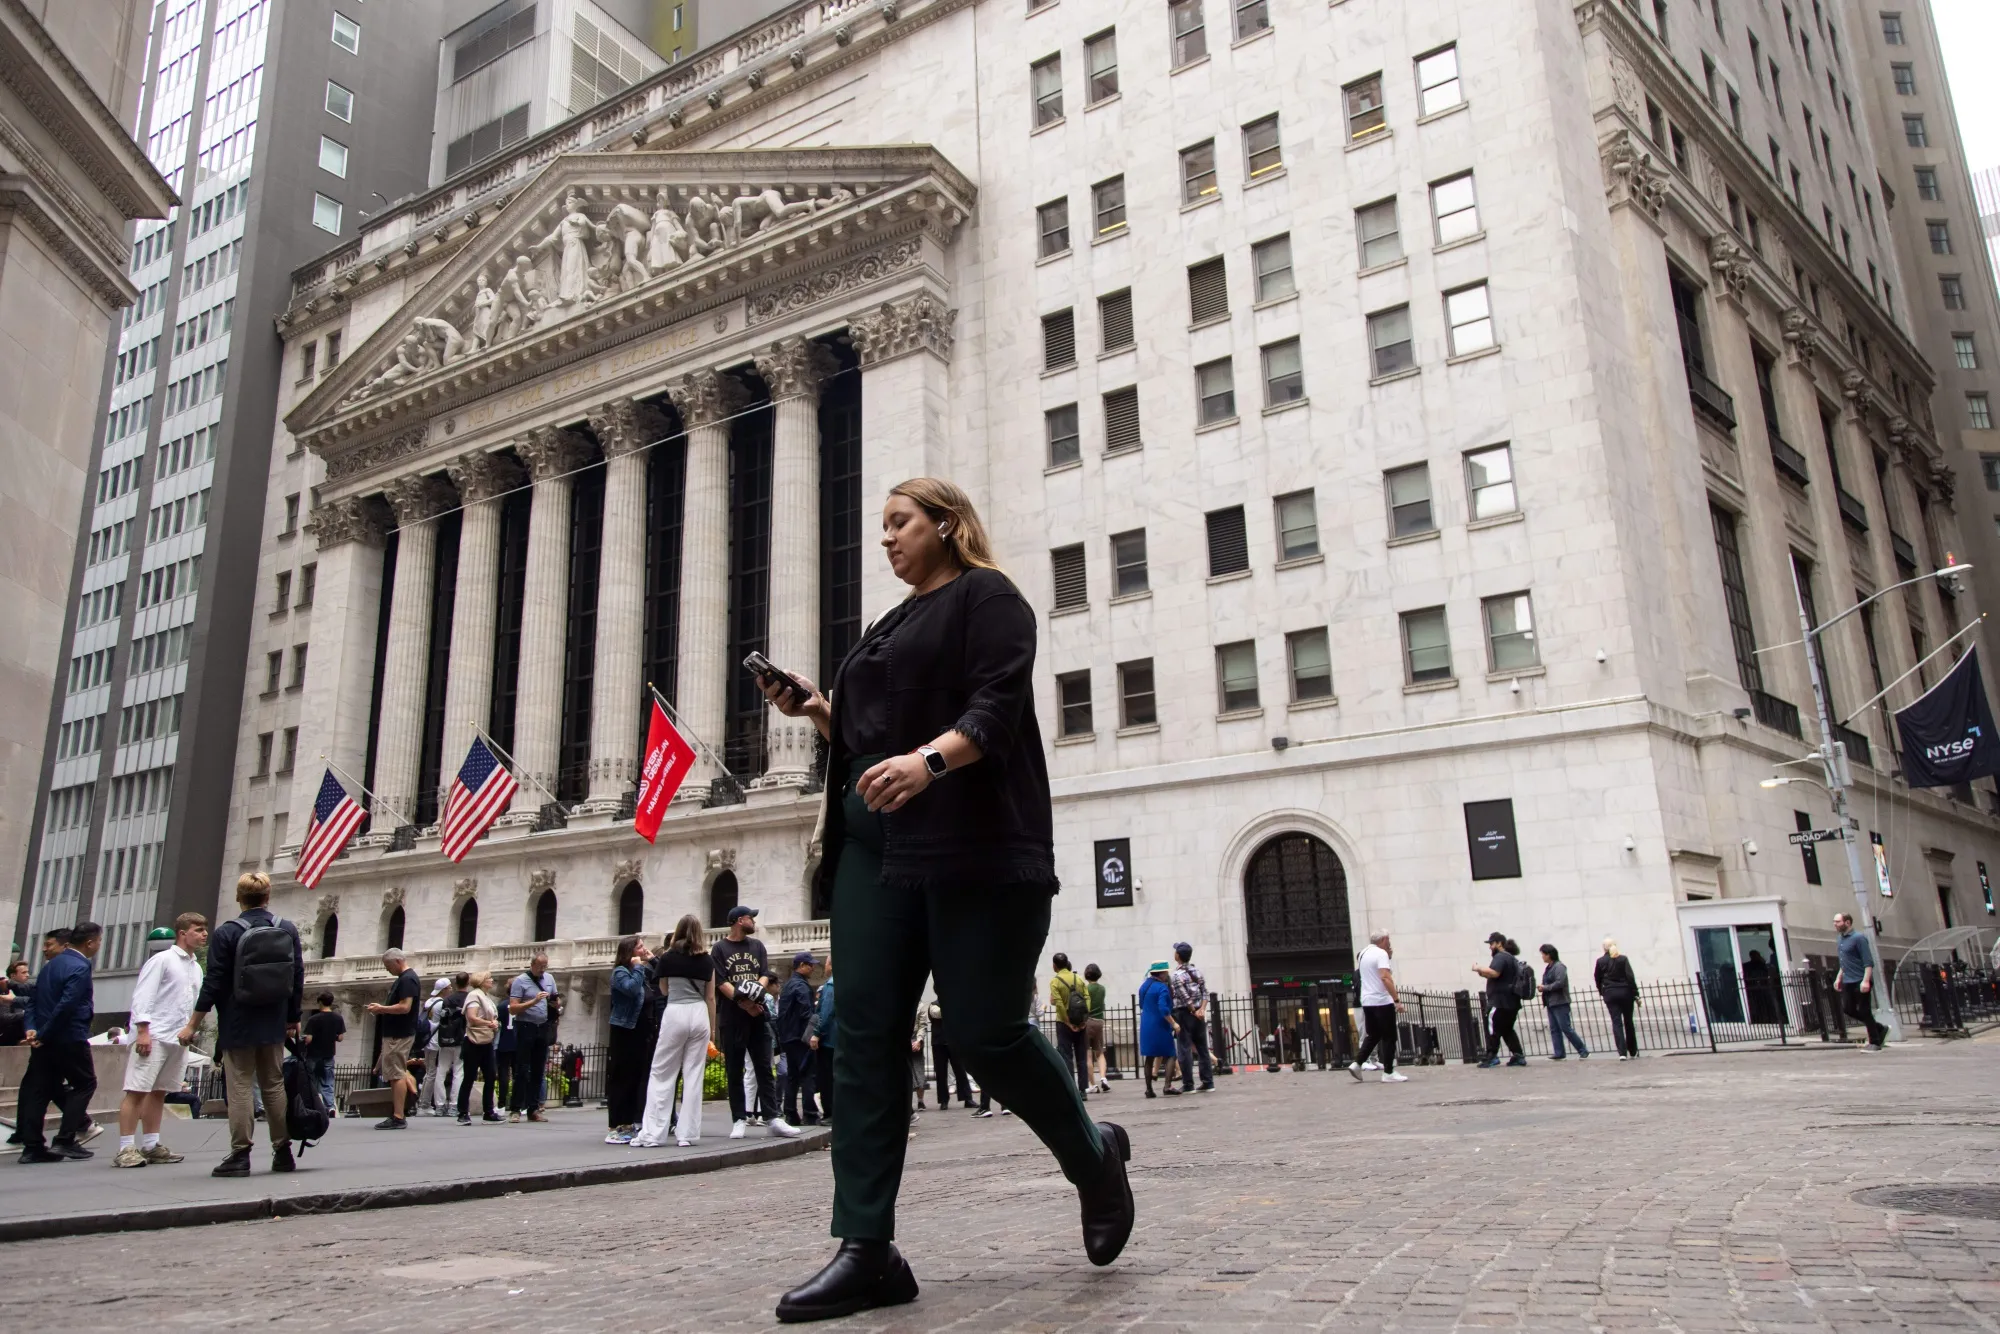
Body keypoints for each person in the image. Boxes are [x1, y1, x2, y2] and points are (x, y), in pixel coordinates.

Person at [757, 478, 1133, 1323]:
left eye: (900, 523)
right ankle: (867, 1248)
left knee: (982, 1032)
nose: (885, 539)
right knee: (863, 1036)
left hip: (971, 848)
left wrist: (926, 763)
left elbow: (996, 709)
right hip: (869, 851)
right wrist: (818, 708)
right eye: (882, 526)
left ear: (947, 525)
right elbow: (865, 745)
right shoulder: (883, 628)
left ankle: (1093, 1157)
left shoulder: (987, 597)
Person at [183, 874, 304, 1175]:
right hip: (274, 1020)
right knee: (274, 1085)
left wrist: (193, 1023)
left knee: (239, 1087)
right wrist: (293, 1017)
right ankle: (283, 1151)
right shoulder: (285, 928)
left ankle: (240, 1154)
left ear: (239, 897)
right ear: (268, 896)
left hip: (238, 1021)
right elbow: (297, 975)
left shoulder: (227, 933)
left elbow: (212, 982)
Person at [115, 913, 209, 1167]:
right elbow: (143, 996)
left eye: (204, 930)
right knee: (137, 1090)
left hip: (177, 1038)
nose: (204, 934)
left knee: (159, 1092)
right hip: (154, 1035)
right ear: (182, 933)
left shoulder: (196, 967)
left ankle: (150, 1144)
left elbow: (189, 1001)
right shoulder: (162, 960)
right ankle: (125, 1148)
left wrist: (190, 1029)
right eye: (198, 930)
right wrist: (143, 1030)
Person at [15, 921, 103, 1163]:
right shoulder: (80, 966)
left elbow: (33, 1000)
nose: (98, 946)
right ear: (89, 943)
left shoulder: (51, 965)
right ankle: (65, 1140)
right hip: (68, 1036)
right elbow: (68, 1004)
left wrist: (33, 1029)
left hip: (45, 1039)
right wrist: (43, 1033)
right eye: (98, 941)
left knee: (39, 1089)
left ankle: (32, 1147)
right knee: (85, 1083)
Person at [711, 906, 800, 1139]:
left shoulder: (757, 946)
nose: (754, 922)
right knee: (734, 1068)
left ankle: (773, 1118)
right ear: (740, 921)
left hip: (758, 1017)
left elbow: (763, 974)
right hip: (732, 1018)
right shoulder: (719, 949)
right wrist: (744, 1003)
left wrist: (754, 996)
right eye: (751, 918)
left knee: (764, 1067)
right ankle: (739, 1118)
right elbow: (721, 982)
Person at [632, 914, 717, 1149]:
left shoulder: (668, 958)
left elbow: (664, 989)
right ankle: (687, 1134)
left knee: (662, 1072)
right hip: (699, 1014)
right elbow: (710, 997)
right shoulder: (707, 960)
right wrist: (712, 1029)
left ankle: (653, 1133)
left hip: (676, 1011)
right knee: (693, 1075)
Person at [606, 936, 655, 1143]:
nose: (644, 949)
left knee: (636, 1077)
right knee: (622, 1078)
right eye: (640, 946)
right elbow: (631, 989)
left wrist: (651, 960)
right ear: (630, 951)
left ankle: (630, 1123)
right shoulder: (620, 972)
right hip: (625, 1030)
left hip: (641, 1031)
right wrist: (637, 967)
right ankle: (617, 1125)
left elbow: (661, 977)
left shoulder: (642, 971)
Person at [365, 948, 422, 1127]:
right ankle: (400, 1110)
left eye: (388, 965)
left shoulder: (407, 979)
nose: (387, 969)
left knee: (396, 1073)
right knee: (394, 1072)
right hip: (396, 1032)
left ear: (397, 961)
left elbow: (405, 1007)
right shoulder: (404, 979)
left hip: (400, 1033)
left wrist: (382, 1008)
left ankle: (398, 1116)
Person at [1349, 930, 1408, 1083]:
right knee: (1389, 1036)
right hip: (1382, 1000)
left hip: (1367, 1001)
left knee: (1373, 1035)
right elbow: (1385, 977)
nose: (1389, 943)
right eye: (1388, 940)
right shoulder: (1381, 954)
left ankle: (1357, 1063)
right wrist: (1396, 1000)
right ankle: (1388, 1072)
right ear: (1384, 940)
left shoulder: (1363, 953)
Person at [506, 952, 558, 1122]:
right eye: (540, 966)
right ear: (532, 965)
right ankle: (515, 1109)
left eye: (545, 966)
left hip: (542, 1026)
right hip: (525, 1026)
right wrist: (534, 1001)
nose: (543, 970)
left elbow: (555, 1000)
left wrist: (555, 1003)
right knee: (522, 1069)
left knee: (538, 1069)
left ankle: (533, 1109)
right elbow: (512, 1008)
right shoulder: (520, 981)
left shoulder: (549, 979)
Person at [777, 951, 821, 1127]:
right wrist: (812, 1035)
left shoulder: (788, 985)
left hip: (788, 1038)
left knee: (792, 1077)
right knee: (808, 1076)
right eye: (810, 965)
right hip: (800, 1038)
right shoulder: (802, 987)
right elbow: (806, 1014)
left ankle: (790, 1114)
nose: (812, 968)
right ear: (801, 966)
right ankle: (810, 1114)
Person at [1833, 912, 1889, 1050]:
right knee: (1848, 1009)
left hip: (1860, 979)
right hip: (1848, 980)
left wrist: (1866, 981)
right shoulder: (1840, 939)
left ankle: (1875, 1042)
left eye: (1838, 922)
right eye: (1834, 922)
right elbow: (1844, 962)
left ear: (1847, 922)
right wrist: (1839, 977)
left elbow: (1868, 962)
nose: (1835, 924)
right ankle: (1879, 1028)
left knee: (1864, 1010)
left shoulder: (1859, 938)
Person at [1473, 932, 1526, 1068]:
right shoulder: (1511, 958)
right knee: (1507, 1029)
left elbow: (1494, 973)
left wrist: (1478, 967)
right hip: (1511, 1001)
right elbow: (1496, 976)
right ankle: (1518, 1055)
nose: (1490, 947)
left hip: (1499, 1001)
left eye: (1491, 943)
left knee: (1493, 1028)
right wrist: (1482, 972)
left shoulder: (1500, 957)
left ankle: (1491, 1056)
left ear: (1499, 943)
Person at [1167, 943, 1214, 1093]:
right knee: (1202, 1048)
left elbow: (1183, 996)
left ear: (1178, 956)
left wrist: (1193, 1010)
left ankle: (1188, 1084)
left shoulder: (1176, 975)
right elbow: (1205, 992)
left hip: (1184, 1013)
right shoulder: (1197, 971)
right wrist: (1202, 1009)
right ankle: (1208, 1082)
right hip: (1199, 1013)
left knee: (1184, 1048)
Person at [457, 972, 503, 1124]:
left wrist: (495, 1023)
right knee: (469, 1077)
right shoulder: (474, 995)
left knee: (490, 1075)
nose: (492, 980)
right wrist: (489, 1023)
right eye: (489, 978)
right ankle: (463, 1112)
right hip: (473, 1041)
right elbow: (471, 1017)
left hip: (486, 1040)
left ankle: (488, 1112)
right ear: (482, 981)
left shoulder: (485, 996)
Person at [423, 976, 469, 1116]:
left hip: (443, 1039)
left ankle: (440, 1105)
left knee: (440, 1071)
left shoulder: (442, 1001)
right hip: (460, 1038)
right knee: (459, 1071)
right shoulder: (468, 998)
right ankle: (454, 1105)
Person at [1048, 954, 1090, 1101]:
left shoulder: (1055, 982)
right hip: (1081, 1022)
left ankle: (1071, 1088)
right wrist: (1085, 1019)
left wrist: (1067, 1022)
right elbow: (1087, 998)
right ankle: (1083, 1089)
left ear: (1055, 965)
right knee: (1082, 1057)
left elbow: (1058, 1004)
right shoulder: (1077, 979)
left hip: (1064, 1023)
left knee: (1066, 1056)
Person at [1539, 945, 1590, 1060]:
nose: (1542, 956)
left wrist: (1545, 987)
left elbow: (1560, 982)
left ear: (1549, 954)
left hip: (1560, 1002)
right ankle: (1559, 1052)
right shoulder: (1548, 968)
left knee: (1565, 1027)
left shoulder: (1559, 967)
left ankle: (1583, 1050)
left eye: (1543, 954)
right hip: (1550, 1002)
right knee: (1554, 1028)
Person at [1594, 937, 1641, 1060]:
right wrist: (1635, 993)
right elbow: (1630, 977)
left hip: (1610, 993)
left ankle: (1622, 1052)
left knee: (1616, 1022)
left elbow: (1597, 978)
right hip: (1625, 992)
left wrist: (1602, 992)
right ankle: (1633, 1049)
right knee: (1628, 1021)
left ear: (1604, 948)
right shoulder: (1623, 959)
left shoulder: (1600, 961)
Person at [1137, 962, 1178, 1098]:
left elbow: (1142, 1004)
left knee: (1149, 1057)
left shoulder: (1144, 986)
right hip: (1160, 1025)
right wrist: (1174, 1023)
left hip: (1146, 1024)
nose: (1167, 975)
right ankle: (1167, 1086)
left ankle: (1149, 1089)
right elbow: (1163, 1008)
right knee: (1170, 1054)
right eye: (1166, 972)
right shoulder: (1162, 988)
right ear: (1161, 974)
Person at [300, 992, 346, 1113]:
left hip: (313, 1054)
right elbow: (340, 1038)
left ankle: (313, 1105)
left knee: (312, 1081)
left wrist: (304, 1040)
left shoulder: (313, 1019)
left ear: (320, 1002)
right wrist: (331, 1037)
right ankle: (330, 1106)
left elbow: (309, 1039)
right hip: (329, 1054)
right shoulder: (338, 1018)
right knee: (328, 1081)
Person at [928, 1001, 973, 1110]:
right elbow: (937, 1014)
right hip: (938, 1043)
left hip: (954, 1042)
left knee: (961, 1071)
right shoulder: (933, 1005)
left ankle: (967, 1098)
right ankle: (943, 1100)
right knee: (940, 1073)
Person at [811, 972, 836, 1125]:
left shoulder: (831, 984)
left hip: (829, 1039)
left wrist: (816, 1033)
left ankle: (830, 1114)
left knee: (827, 1078)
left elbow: (826, 1011)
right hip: (839, 1038)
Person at [1082, 964, 1109, 1093]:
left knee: (1088, 1054)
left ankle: (1092, 1084)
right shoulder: (1102, 989)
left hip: (1088, 1021)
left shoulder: (1086, 989)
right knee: (1099, 1052)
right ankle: (1103, 1078)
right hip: (1099, 1021)